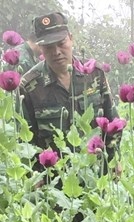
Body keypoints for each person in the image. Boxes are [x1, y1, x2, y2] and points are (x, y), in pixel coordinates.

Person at [20, 12, 120, 167]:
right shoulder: (30, 86)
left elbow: (113, 120)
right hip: (54, 179)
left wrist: (115, 160)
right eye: (48, 47)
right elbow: (26, 141)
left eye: (61, 43)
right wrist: (33, 175)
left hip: (96, 172)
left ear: (71, 38)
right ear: (40, 48)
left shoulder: (94, 74)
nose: (56, 52)